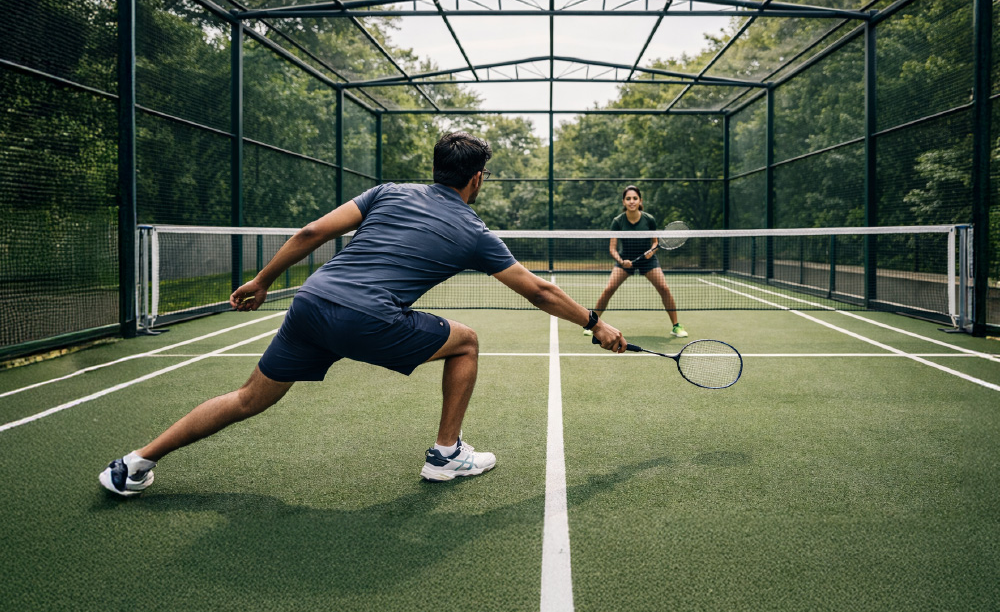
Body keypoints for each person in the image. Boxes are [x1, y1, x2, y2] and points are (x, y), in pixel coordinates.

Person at [100, 132, 626, 496]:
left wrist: (262, 281)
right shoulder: (473, 231)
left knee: (246, 398)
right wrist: (595, 323)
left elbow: (311, 234)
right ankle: (446, 455)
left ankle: (135, 463)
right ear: (478, 179)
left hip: (310, 301)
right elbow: (537, 290)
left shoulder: (387, 191)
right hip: (367, 316)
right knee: (465, 340)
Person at [585, 184, 687, 338]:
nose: (631, 201)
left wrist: (651, 251)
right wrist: (621, 260)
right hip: (625, 259)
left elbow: (655, 242)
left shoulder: (649, 219)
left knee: (664, 288)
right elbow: (612, 248)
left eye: (635, 198)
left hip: (647, 260)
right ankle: (592, 324)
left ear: (640, 201)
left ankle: (676, 326)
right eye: (628, 199)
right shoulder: (618, 221)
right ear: (623, 202)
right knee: (609, 289)